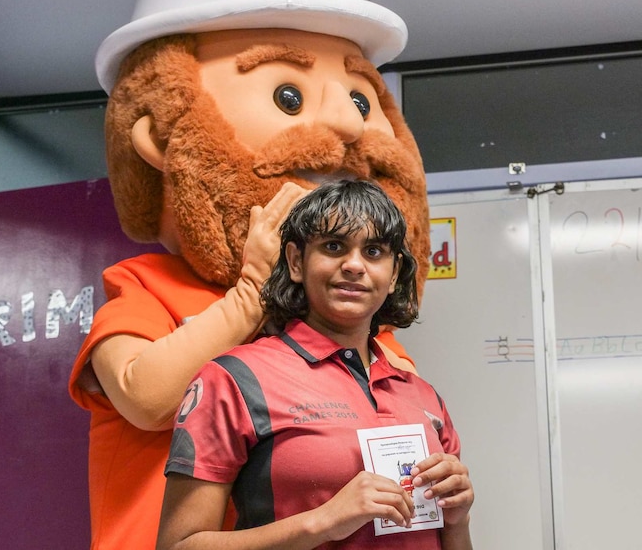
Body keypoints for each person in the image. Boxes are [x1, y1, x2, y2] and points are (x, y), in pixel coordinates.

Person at [68, 0, 432, 547]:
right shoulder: (144, 288)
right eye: (289, 95)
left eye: (362, 99)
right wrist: (253, 290)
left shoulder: (363, 331)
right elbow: (145, 398)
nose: (349, 124)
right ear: (160, 134)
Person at [156, 180, 474, 550]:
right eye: (334, 246)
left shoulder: (423, 396)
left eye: (373, 251)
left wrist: (458, 519)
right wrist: (321, 522)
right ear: (295, 261)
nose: (354, 265)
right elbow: (178, 545)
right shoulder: (233, 380)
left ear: (393, 274)